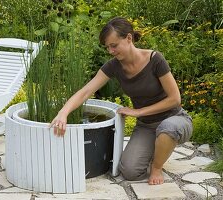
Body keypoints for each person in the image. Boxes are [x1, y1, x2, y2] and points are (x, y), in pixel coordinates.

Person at [50, 17, 193, 185]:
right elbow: (86, 91)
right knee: (130, 171)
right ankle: (159, 145)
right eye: (108, 47)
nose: (111, 51)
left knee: (167, 128)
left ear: (129, 38)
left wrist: (138, 112)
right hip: (146, 126)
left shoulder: (155, 59)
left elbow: (175, 99)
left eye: (114, 45)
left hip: (174, 119)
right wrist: (63, 112)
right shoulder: (114, 66)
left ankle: (157, 166)